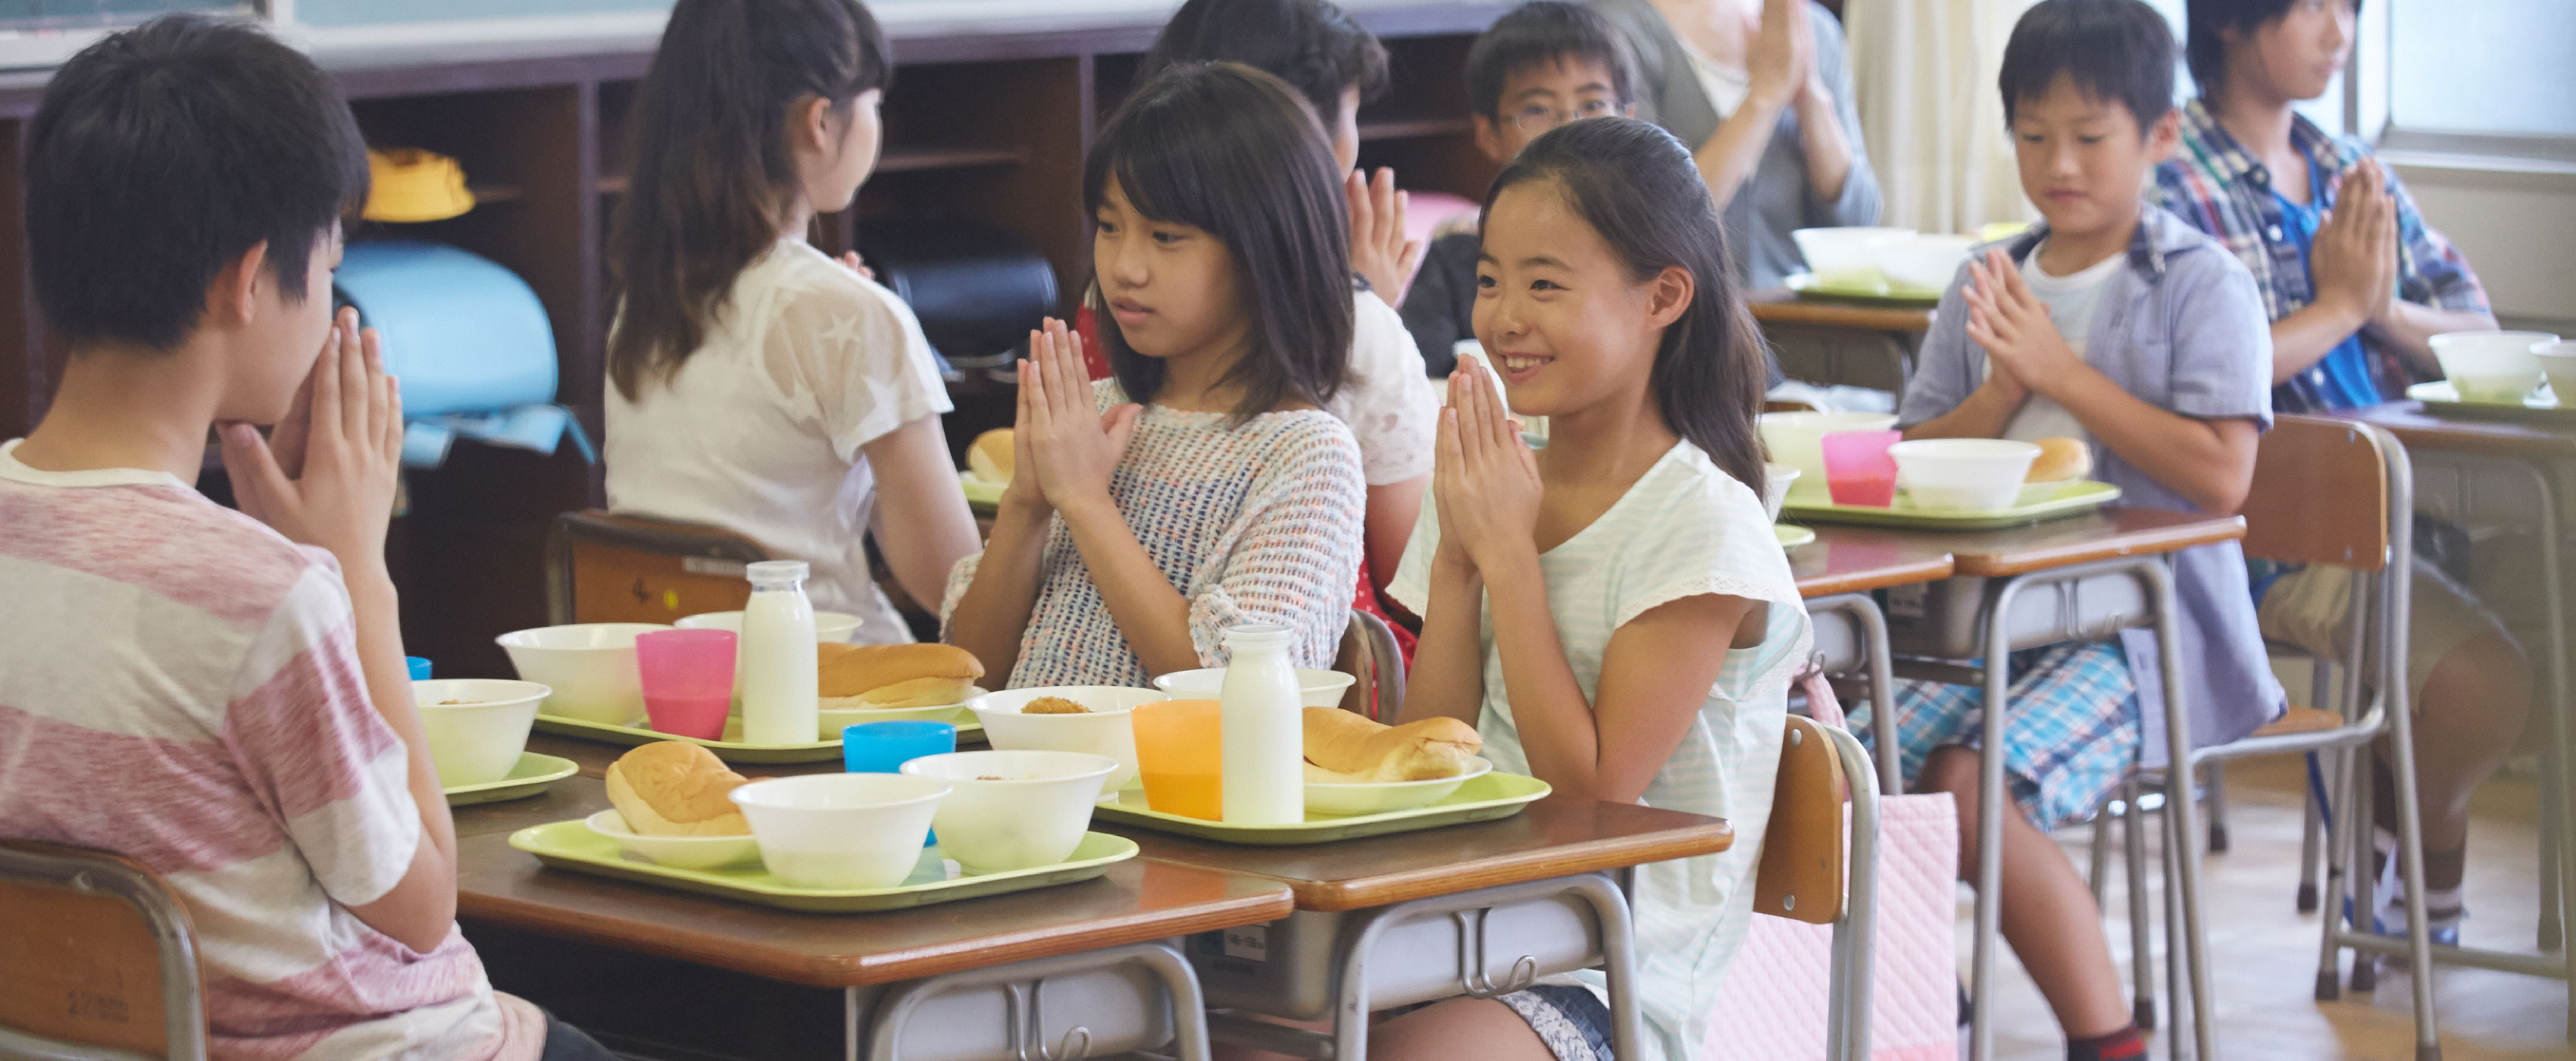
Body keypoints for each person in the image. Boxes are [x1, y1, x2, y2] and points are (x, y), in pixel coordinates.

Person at [0, 15, 611, 1060]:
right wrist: (355, 575)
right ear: (247, 281)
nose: (330, 299)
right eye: (327, 265)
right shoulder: (259, 596)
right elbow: (419, 905)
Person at [1873, 2, 2281, 1058]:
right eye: (2033, 134)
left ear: (2160, 136)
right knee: (1824, 753)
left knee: (1967, 782)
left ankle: (2110, 1042)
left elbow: (2222, 478)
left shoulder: (2201, 283)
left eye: (2090, 137)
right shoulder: (1985, 279)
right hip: (1971, 624)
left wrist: (2063, 376)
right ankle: (1919, 999)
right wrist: (2004, 392)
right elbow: (1913, 454)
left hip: (2136, 638)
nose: (2059, 163)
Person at [1373, 117, 1807, 1061]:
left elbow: (1591, 799)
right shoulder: (1495, 476)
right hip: (1450, 924)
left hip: (1605, 972)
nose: (1503, 316)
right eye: (1490, 279)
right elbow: (1433, 756)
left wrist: (1509, 560)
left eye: (1544, 284)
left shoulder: (1701, 522)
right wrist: (1457, 558)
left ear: (1663, 297)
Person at [2157, 0, 2528, 944]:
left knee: (2540, 637)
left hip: (2415, 510)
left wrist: (2379, 309)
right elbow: (2188, 380)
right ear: (2235, 20)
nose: (2339, 31)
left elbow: (2479, 332)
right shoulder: (2172, 172)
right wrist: (2336, 305)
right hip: (2276, 535)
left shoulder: (2346, 169)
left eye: (2349, 9)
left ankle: (2392, 875)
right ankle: (2413, 885)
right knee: (2483, 678)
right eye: (2313, 7)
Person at [942, 63, 1369, 689]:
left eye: (1166, 236)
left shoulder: (1307, 453)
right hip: (1029, 776)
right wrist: (1028, 505)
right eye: (1110, 228)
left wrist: (1086, 503)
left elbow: (1237, 691)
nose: (1125, 268)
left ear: (1265, 250)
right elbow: (970, 674)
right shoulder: (1091, 417)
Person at [603, 0, 979, 645]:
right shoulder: (855, 315)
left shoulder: (644, 304)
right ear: (820, 123)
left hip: (670, 689)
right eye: (873, 103)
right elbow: (954, 586)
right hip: (826, 695)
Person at [1129, 0, 1443, 659]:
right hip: (1298, 683)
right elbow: (1413, 582)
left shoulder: (1121, 291)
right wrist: (1358, 310)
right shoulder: (1354, 331)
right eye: (1350, 120)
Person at [1402, 1, 1639, 373]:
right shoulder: (1454, 265)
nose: (1569, 127)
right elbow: (1414, 385)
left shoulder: (1653, 248)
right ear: (1488, 134)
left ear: (1628, 120)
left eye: (1593, 103)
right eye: (1537, 109)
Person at [1585, 0, 1880, 288]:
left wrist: (1810, 95)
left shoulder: (1815, 28)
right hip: (1680, 318)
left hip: (1806, 324)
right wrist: (1765, 95)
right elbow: (1652, 228)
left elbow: (1859, 220)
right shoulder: (1616, 28)